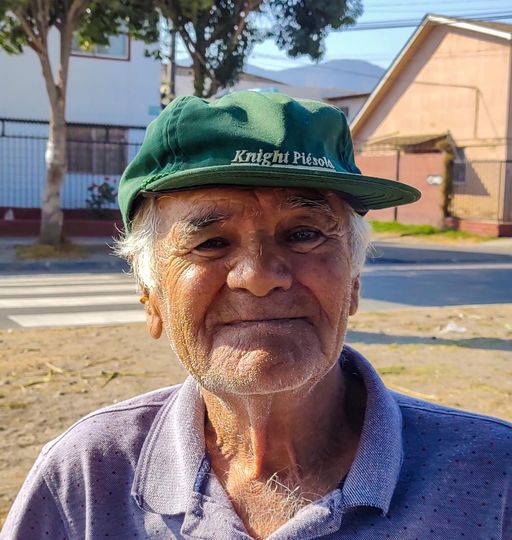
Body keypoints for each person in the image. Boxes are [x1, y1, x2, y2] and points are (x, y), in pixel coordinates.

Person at [1, 91, 510, 540]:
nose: (259, 275)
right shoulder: (87, 478)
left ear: (353, 281)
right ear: (150, 295)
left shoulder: (495, 477)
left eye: (305, 233)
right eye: (210, 242)